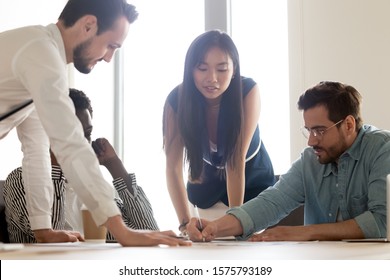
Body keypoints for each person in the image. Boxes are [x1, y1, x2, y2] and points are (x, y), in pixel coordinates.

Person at [0, 0, 188, 246]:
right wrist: (121, 230)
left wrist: (42, 228)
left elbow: (36, 150)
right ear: (89, 25)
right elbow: (69, 141)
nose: (109, 58)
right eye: (111, 45)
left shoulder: (40, 59)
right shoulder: (40, 51)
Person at [187, 81, 390, 242]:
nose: (311, 141)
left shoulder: (383, 149)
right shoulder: (309, 160)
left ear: (348, 124)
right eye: (308, 130)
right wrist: (215, 227)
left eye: (320, 130)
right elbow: (271, 202)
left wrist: (307, 232)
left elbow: (383, 221)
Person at [4, 89, 159, 243]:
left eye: (87, 134)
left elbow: (149, 231)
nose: (84, 143)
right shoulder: (19, 180)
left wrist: (115, 166)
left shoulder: (91, 186)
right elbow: (51, 235)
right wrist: (58, 157)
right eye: (75, 135)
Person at [162, 30, 275, 234]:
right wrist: (184, 224)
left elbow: (235, 159)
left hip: (252, 188)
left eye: (222, 69)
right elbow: (173, 168)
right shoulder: (176, 101)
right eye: (202, 68)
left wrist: (235, 222)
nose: (212, 78)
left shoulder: (247, 91)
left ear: (234, 69)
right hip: (205, 194)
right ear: (190, 70)